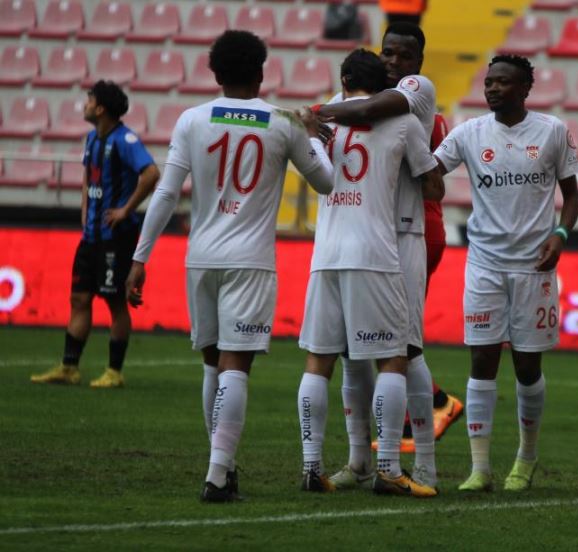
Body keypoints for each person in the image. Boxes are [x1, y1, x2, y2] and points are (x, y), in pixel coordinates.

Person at [124, 30, 334, 502]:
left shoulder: (192, 119)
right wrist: (312, 135)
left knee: (212, 365)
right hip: (250, 261)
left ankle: (224, 468)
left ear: (215, 73)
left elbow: (166, 192)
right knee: (235, 366)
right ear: (260, 73)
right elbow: (325, 182)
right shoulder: (282, 122)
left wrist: (140, 257)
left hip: (200, 258)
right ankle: (217, 476)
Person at [315, 22, 462, 491]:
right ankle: (360, 461)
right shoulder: (359, 101)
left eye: (404, 55)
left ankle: (425, 466)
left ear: (419, 62)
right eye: (388, 54)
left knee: (406, 349)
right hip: (365, 234)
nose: (394, 62)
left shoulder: (415, 91)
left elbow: (366, 108)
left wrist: (319, 111)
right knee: (354, 353)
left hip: (405, 234)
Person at [433, 54, 578, 492]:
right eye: (489, 82)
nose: (493, 88)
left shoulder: (552, 131)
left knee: (527, 365)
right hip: (484, 264)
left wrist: (560, 234)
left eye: (502, 82)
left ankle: (526, 458)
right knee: (481, 360)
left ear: (525, 88)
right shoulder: (469, 133)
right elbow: (428, 171)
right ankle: (479, 469)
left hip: (534, 267)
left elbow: (571, 197)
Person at [31, 81, 159, 389]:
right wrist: (85, 208)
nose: (85, 105)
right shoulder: (91, 139)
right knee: (79, 298)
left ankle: (114, 371)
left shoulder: (126, 140)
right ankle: (69, 367)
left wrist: (126, 210)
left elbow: (152, 173)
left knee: (115, 302)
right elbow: (89, 176)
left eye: (89, 100)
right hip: (91, 236)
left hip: (117, 236)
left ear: (100, 108)